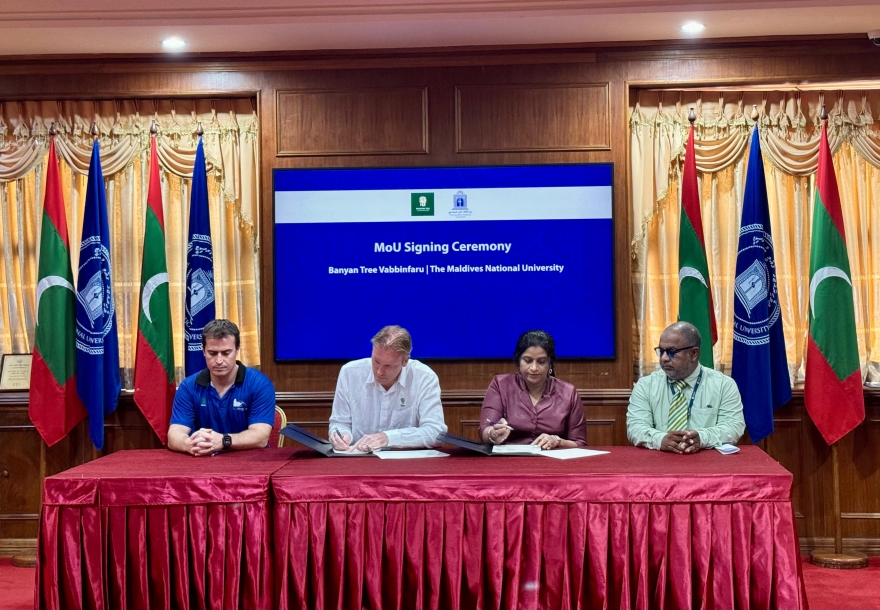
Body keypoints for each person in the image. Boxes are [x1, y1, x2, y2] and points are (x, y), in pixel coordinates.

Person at [626, 321, 745, 453]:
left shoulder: (723, 385)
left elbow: (734, 426)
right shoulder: (646, 386)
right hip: (659, 463)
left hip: (706, 464)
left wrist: (702, 438)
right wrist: (660, 439)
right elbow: (635, 427)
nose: (664, 358)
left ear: (693, 353)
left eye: (671, 352)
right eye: (661, 351)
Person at [329, 325, 447, 452]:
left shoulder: (424, 377)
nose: (379, 372)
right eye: (376, 361)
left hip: (406, 464)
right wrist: (342, 436)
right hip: (359, 461)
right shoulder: (349, 373)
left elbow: (436, 433)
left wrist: (388, 438)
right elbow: (339, 423)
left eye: (388, 366)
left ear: (405, 361)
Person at [167, 319, 276, 456]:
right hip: (202, 463)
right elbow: (174, 435)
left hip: (250, 464)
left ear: (237, 350)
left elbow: (260, 437)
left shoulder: (260, 384)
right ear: (204, 351)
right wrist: (189, 444)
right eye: (212, 353)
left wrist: (224, 441)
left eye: (226, 353)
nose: (219, 361)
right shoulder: (188, 387)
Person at [480, 330, 586, 449]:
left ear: (550, 364)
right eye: (528, 360)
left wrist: (558, 441)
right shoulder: (500, 385)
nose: (534, 368)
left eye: (541, 362)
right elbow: (485, 429)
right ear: (518, 362)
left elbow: (579, 443)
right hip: (509, 461)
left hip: (552, 462)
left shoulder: (568, 392)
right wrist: (492, 434)